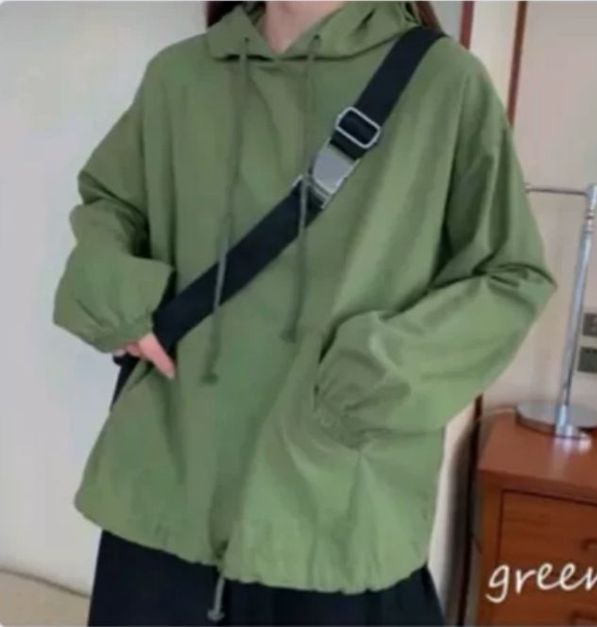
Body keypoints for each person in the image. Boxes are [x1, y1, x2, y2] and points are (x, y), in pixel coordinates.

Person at [52, 1, 556, 625]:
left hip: (334, 502)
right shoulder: (180, 76)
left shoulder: (442, 82)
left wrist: (374, 376)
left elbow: (509, 275)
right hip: (164, 492)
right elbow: (110, 203)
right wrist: (117, 296)